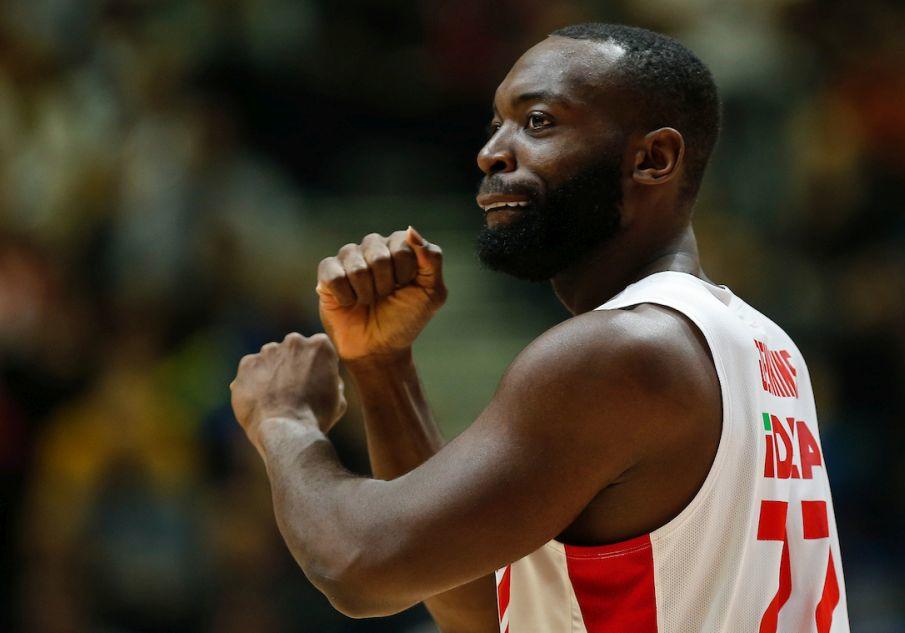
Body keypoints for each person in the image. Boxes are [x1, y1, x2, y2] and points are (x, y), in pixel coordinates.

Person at [230, 23, 849, 633]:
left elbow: (358, 566)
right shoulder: (765, 347)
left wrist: (284, 420)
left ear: (653, 159)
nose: (492, 153)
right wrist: (382, 365)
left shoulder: (619, 353)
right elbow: (475, 605)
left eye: (538, 122)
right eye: (495, 124)